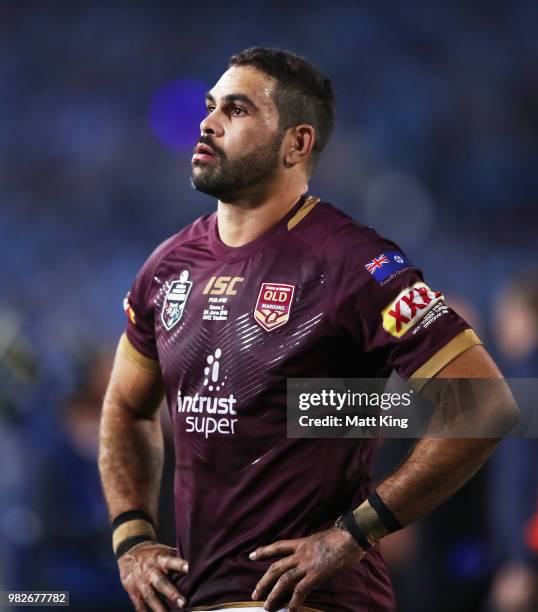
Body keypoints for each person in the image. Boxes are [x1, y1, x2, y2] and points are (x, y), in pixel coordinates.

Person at [98, 48, 518, 612]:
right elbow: (126, 407)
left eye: (238, 110)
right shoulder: (168, 265)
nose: (207, 122)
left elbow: (483, 403)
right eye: (210, 106)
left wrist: (356, 531)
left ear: (297, 143)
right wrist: (132, 537)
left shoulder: (354, 262)